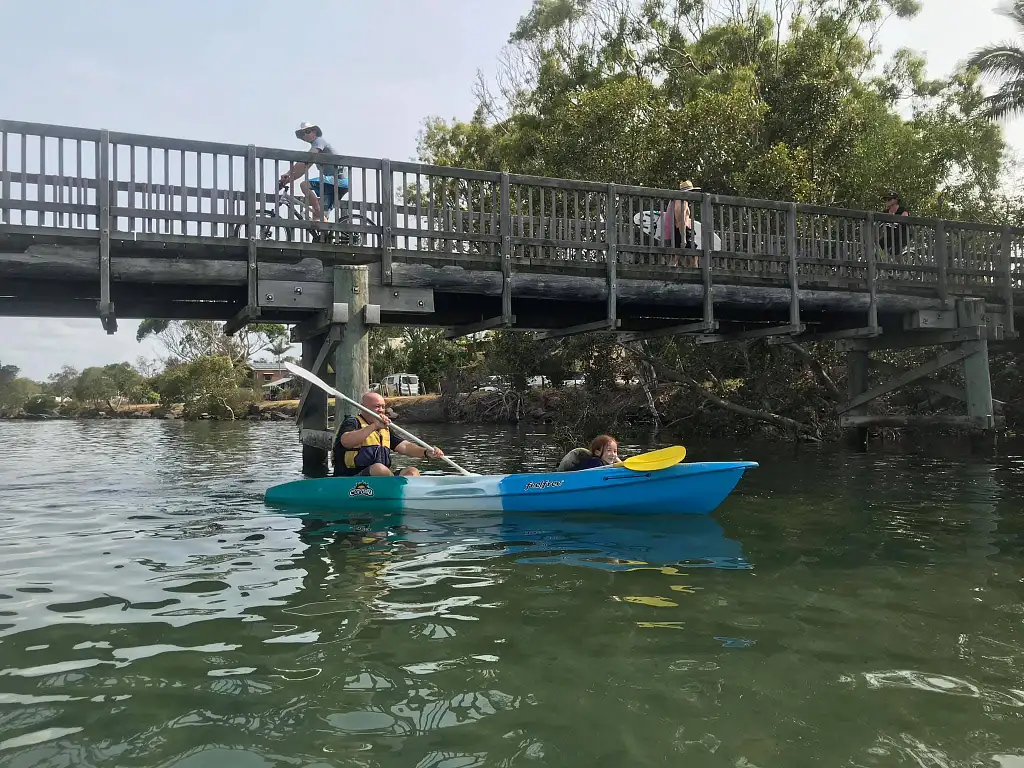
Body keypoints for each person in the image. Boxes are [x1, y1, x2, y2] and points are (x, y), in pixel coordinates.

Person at [331, 390, 445, 477]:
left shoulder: (384, 429)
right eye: (377, 407)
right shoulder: (352, 422)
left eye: (383, 407)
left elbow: (405, 447)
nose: (381, 410)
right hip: (351, 479)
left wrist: (426, 452)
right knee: (378, 468)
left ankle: (411, 495)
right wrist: (374, 426)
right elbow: (346, 441)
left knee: (412, 471)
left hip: (381, 479)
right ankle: (393, 487)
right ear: (364, 408)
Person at [278, 121, 349, 223]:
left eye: (307, 131)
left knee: (304, 185)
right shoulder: (316, 150)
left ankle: (318, 214)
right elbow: (302, 169)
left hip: (338, 179)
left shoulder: (319, 141)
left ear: (315, 132)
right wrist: (288, 180)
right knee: (321, 222)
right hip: (335, 183)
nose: (305, 135)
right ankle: (324, 234)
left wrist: (288, 174)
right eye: (303, 133)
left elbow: (305, 159)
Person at [556, 434, 621, 472]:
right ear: (597, 453)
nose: (612, 454)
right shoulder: (595, 462)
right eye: (609, 450)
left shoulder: (604, 461)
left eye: (615, 451)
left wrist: (616, 459)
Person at [878, 190, 910, 259]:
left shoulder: (902, 210)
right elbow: (877, 221)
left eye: (889, 199)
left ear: (896, 200)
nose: (887, 201)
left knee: (894, 252)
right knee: (878, 245)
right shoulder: (885, 212)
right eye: (886, 199)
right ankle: (884, 262)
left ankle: (902, 268)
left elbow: (905, 220)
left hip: (902, 237)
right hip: (890, 237)